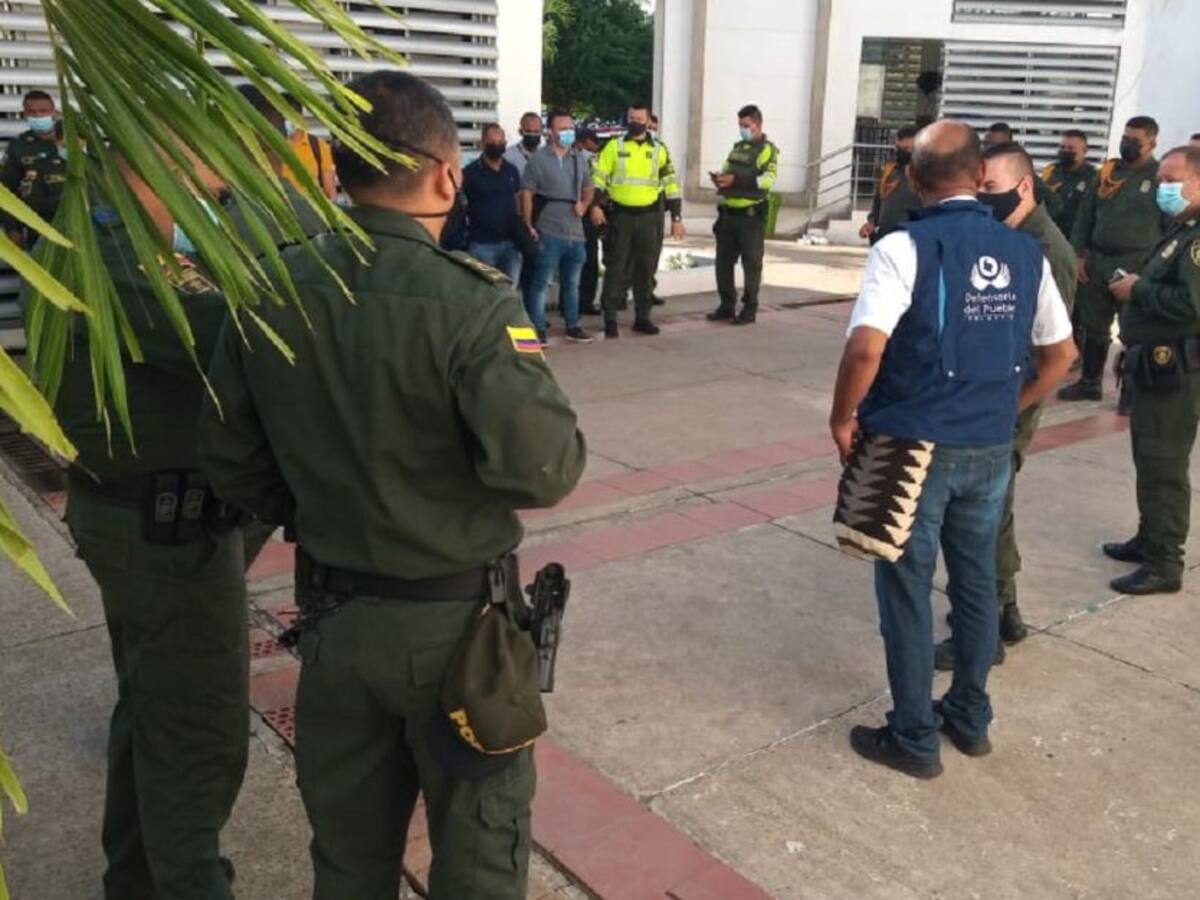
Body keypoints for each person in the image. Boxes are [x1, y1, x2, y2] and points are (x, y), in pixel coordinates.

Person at [198, 71, 586, 899]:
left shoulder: (273, 289)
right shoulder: (473, 304)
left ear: (339, 173)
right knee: (478, 863)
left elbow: (227, 451)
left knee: (347, 860)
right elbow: (545, 469)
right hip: (459, 638)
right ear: (447, 175)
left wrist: (314, 504)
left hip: (335, 624)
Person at [34, 153, 251, 899]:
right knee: (198, 732)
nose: (217, 180)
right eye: (208, 156)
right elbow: (243, 329)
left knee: (153, 711)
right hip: (166, 531)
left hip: (139, 518)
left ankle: (134, 882)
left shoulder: (100, 235)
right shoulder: (118, 250)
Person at [830, 121, 1075, 779]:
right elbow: (1063, 356)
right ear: (977, 177)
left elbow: (865, 348)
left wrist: (842, 415)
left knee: (906, 589)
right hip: (989, 448)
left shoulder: (903, 247)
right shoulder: (1027, 253)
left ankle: (912, 737)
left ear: (913, 178)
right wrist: (1011, 407)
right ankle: (969, 717)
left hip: (911, 446)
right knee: (974, 585)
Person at [933, 141, 1078, 672]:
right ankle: (1006, 612)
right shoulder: (1013, 238)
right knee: (996, 509)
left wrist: (1012, 407)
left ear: (1024, 187)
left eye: (989, 190)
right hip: (995, 398)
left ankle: (983, 631)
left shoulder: (1043, 250)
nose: (980, 200)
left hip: (1008, 403)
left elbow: (1054, 352)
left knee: (982, 517)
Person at [1102, 146, 1200, 595]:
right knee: (1148, 456)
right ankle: (1150, 537)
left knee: (1163, 462)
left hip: (1178, 370)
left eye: (1170, 180)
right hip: (1154, 361)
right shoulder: (1180, 230)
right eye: (1160, 180)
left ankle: (1165, 563)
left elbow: (1190, 304)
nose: (1162, 188)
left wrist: (1138, 290)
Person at [1060, 116, 1169, 402]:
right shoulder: (1108, 172)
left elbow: (1169, 227)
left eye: (1135, 141)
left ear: (1152, 143)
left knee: (1133, 327)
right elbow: (1086, 214)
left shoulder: (1159, 177)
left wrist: (1156, 268)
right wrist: (1078, 255)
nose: (1127, 145)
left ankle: (1131, 391)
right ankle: (1089, 382)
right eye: (1125, 138)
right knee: (1094, 324)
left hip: (1136, 263)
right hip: (1097, 259)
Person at [591, 102, 685, 338]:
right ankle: (610, 318)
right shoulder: (614, 146)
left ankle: (643, 317)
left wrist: (676, 217)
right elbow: (598, 178)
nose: (635, 121)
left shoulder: (659, 150)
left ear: (648, 121)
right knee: (616, 267)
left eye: (639, 118)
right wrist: (594, 205)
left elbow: (671, 184)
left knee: (646, 268)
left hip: (648, 217)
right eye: (631, 117)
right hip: (621, 216)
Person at [522, 110, 594, 344]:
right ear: (550, 132)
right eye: (562, 128)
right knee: (541, 282)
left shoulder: (579, 158)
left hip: (576, 232)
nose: (567, 133)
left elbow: (589, 187)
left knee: (572, 283)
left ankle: (573, 325)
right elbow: (527, 194)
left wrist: (584, 204)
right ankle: (538, 327)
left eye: (570, 128)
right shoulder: (539, 160)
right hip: (549, 230)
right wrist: (528, 224)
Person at [706, 104, 780, 325]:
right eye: (740, 125)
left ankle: (749, 308)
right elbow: (726, 169)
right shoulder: (736, 148)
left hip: (750, 216)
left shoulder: (767, 150)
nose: (743, 129)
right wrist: (720, 178)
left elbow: (767, 181)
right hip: (729, 214)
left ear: (758, 125)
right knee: (723, 263)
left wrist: (737, 181)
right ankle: (727, 305)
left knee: (751, 263)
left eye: (746, 125)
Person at [2, 90, 67, 246]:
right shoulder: (19, 146)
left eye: (43, 111)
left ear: (54, 111)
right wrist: (11, 228)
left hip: (82, 219)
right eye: (32, 112)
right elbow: (6, 190)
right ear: (25, 114)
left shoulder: (75, 137)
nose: (38, 116)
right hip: (40, 225)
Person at [462, 122, 523, 282]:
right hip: (482, 244)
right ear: (483, 143)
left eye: (500, 142)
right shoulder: (470, 173)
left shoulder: (511, 170)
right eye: (492, 142)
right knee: (483, 292)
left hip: (511, 243)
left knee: (509, 292)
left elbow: (518, 201)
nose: (497, 145)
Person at [984, 121, 1061, 220]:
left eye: (996, 145)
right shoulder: (982, 165)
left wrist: (1025, 222)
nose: (989, 149)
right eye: (987, 144)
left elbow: (1054, 204)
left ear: (1008, 145)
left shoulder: (1018, 168)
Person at [859, 126, 920, 247]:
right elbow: (879, 200)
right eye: (901, 148)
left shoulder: (929, 176)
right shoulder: (889, 171)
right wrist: (871, 223)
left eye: (909, 149)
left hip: (913, 242)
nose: (904, 153)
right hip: (885, 237)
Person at [1041, 129, 1098, 241]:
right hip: (1048, 237)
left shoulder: (1094, 177)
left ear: (1084, 150)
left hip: (1074, 240)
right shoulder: (1051, 171)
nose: (1065, 151)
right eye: (1062, 147)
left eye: (1071, 148)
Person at [280, 93, 338, 201]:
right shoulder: (271, 146)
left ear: (300, 117)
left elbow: (330, 192)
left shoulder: (318, 146)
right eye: (281, 116)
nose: (285, 121)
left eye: (289, 116)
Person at [576, 127, 604, 315]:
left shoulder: (590, 160)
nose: (595, 148)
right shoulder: (576, 159)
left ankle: (585, 302)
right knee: (575, 262)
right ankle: (573, 303)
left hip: (588, 215)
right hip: (576, 215)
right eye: (593, 144)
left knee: (590, 260)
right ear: (585, 142)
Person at [504, 110, 543, 177]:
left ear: (541, 131)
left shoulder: (547, 154)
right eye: (528, 131)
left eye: (536, 131)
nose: (532, 134)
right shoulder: (508, 156)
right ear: (521, 131)